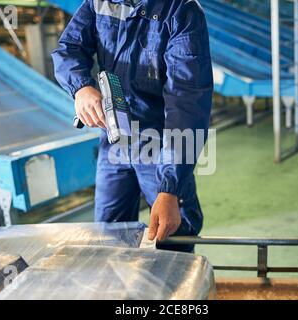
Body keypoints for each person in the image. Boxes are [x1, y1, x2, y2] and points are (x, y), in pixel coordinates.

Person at [52, 0, 213, 252]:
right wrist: (81, 87)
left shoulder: (181, 11)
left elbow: (187, 105)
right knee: (107, 238)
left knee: (172, 236)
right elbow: (69, 47)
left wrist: (169, 187)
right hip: (114, 139)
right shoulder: (100, 3)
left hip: (160, 145)